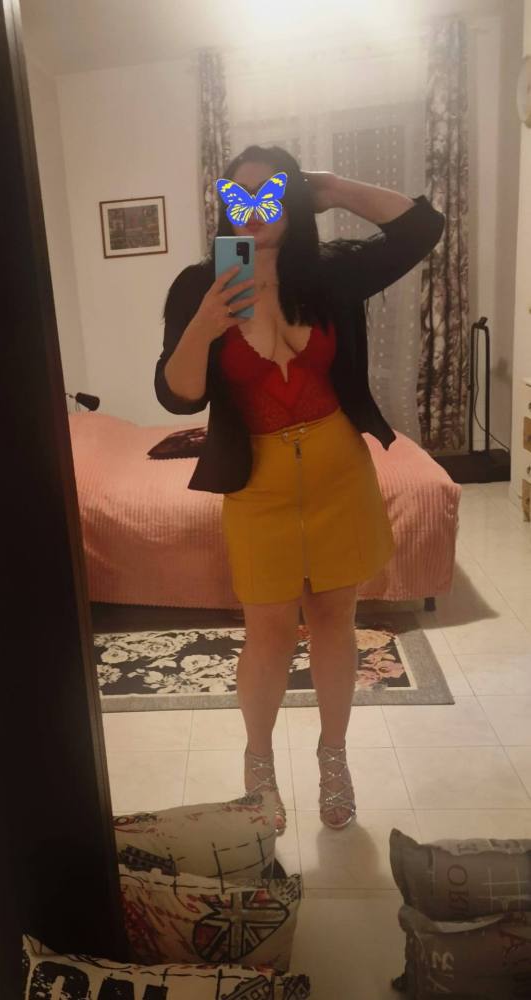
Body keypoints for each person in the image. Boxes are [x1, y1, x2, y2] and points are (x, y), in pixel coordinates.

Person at [155, 145, 445, 835]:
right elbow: (177, 396)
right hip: (256, 484)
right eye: (238, 196)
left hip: (339, 471)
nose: (253, 211)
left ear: (292, 200)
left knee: (335, 620)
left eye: (270, 195)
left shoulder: (328, 274)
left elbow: (421, 229)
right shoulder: (199, 284)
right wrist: (204, 326)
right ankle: (258, 765)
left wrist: (333, 186)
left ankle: (332, 757)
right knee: (268, 633)